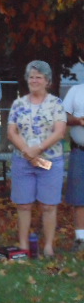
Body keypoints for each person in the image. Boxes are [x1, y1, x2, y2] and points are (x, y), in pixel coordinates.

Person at [7, 60, 66, 258]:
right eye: (31, 77)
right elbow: (11, 132)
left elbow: (59, 132)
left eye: (38, 77)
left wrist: (38, 149)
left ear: (47, 81)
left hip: (50, 162)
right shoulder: (18, 104)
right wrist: (26, 150)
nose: (34, 80)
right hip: (23, 161)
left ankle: (48, 246)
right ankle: (23, 246)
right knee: (23, 205)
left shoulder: (56, 104)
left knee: (49, 206)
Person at [63, 81, 84, 253]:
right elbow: (64, 116)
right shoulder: (76, 91)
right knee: (79, 198)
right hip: (80, 151)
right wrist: (78, 120)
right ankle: (81, 239)